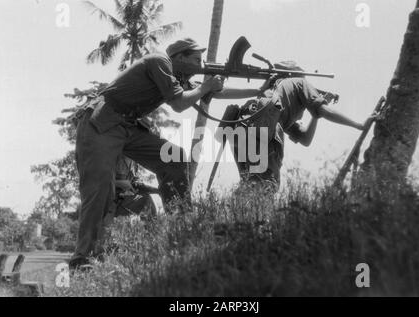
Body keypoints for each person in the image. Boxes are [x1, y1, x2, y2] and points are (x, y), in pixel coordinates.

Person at [69, 38, 273, 270]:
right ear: (180, 58)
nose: (201, 64)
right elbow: (179, 103)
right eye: (196, 60)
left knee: (175, 159)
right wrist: (206, 86)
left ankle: (181, 229)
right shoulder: (160, 62)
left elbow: (215, 93)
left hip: (127, 126)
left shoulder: (176, 75)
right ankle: (82, 256)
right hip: (102, 123)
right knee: (99, 187)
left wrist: (259, 89)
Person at [224, 61, 373, 192]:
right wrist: (358, 125)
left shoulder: (275, 101)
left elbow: (305, 139)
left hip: (241, 127)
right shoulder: (299, 83)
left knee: (250, 185)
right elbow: (325, 111)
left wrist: (315, 117)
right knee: (265, 186)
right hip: (260, 135)